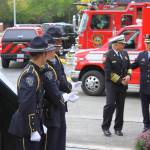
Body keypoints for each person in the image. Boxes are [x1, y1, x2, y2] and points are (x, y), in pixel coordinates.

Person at [8, 36, 54, 150]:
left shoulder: (37, 71)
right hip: (25, 127)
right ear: (43, 54)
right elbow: (26, 104)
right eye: (46, 52)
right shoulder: (30, 75)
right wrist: (33, 129)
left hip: (33, 123)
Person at [42, 29, 72, 150]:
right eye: (58, 41)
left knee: (61, 136)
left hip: (60, 104)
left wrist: (70, 87)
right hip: (50, 108)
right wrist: (62, 95)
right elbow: (50, 87)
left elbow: (62, 79)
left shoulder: (56, 58)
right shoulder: (44, 62)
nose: (60, 44)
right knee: (52, 141)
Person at [101, 35, 132, 137]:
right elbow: (108, 73)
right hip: (112, 84)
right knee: (110, 105)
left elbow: (129, 67)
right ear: (115, 44)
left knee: (120, 106)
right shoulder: (107, 55)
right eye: (122, 44)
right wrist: (120, 81)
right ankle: (105, 127)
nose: (124, 45)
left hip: (123, 84)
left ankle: (118, 128)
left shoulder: (124, 53)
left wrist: (128, 75)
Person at [131, 34, 150, 133]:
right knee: (145, 108)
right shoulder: (141, 55)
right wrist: (122, 65)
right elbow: (133, 65)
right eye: (146, 43)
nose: (147, 45)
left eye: (149, 43)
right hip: (144, 87)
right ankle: (146, 125)